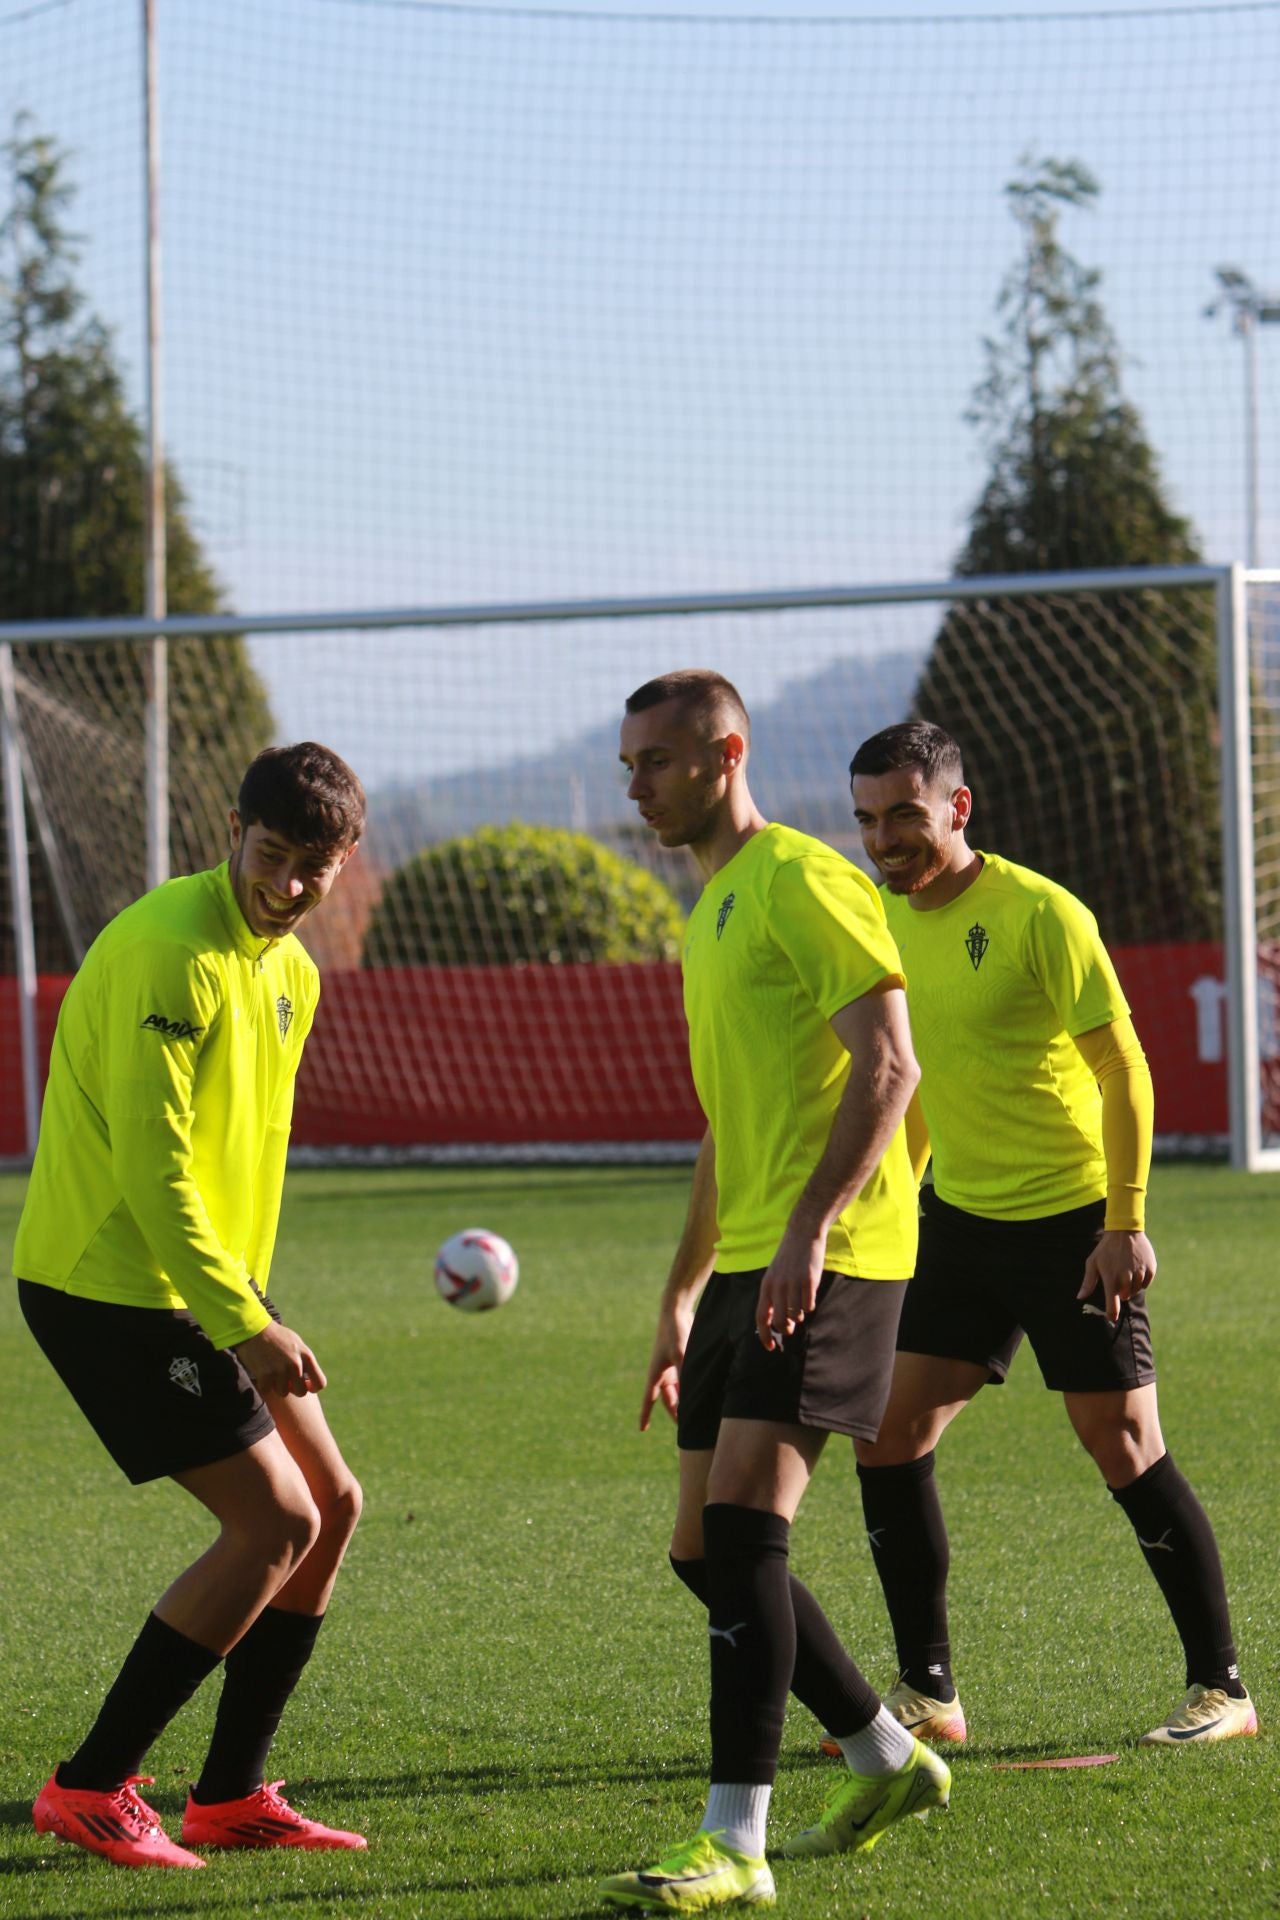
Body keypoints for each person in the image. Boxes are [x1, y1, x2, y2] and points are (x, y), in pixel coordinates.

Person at [599, 671, 950, 1915]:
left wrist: (807, 1231)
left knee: (747, 1524)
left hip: (836, 1253)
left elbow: (891, 1067)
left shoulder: (802, 879)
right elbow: (724, 1128)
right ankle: (885, 1758)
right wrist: (679, 1294)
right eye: (628, 765)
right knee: (702, 1551)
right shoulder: (708, 911)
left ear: (725, 754)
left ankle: (733, 1844)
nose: (634, 786)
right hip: (748, 1259)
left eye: (654, 761)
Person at [846, 718, 1256, 1750]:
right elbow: (920, 1078)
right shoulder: (879, 922)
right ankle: (928, 1693)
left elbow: (1124, 1068)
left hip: (1073, 1225)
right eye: (866, 819)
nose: (883, 838)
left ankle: (1222, 1690)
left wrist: (1124, 1221)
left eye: (903, 814)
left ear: (957, 807)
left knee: (1120, 1443)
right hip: (957, 1223)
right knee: (887, 1433)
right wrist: (898, 1200)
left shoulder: (1039, 912)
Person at [14, 741, 371, 1871]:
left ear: (344, 863)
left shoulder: (294, 971)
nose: (287, 884)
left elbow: (245, 1154)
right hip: (107, 1285)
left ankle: (229, 1797)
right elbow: (152, 1169)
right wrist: (244, 1324)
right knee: (275, 1523)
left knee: (332, 1505)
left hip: (206, 1284)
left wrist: (245, 1298)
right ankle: (90, 1786)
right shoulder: (170, 949)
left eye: (313, 866)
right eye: (271, 854)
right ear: (233, 831)